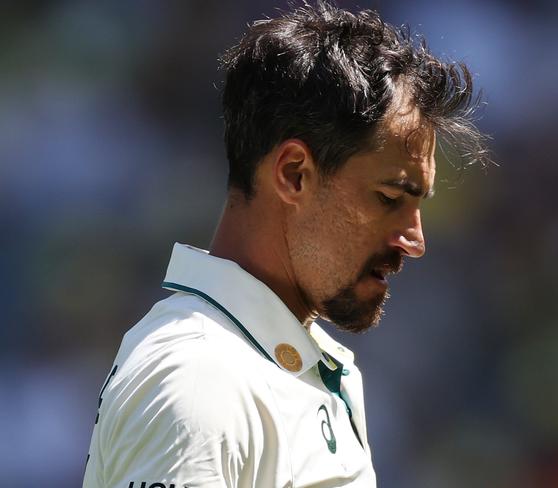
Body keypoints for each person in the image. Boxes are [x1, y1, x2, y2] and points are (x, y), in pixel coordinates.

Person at [82, 2, 489, 487]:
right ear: (294, 174)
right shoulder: (200, 377)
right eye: (389, 198)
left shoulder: (304, 367)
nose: (415, 240)